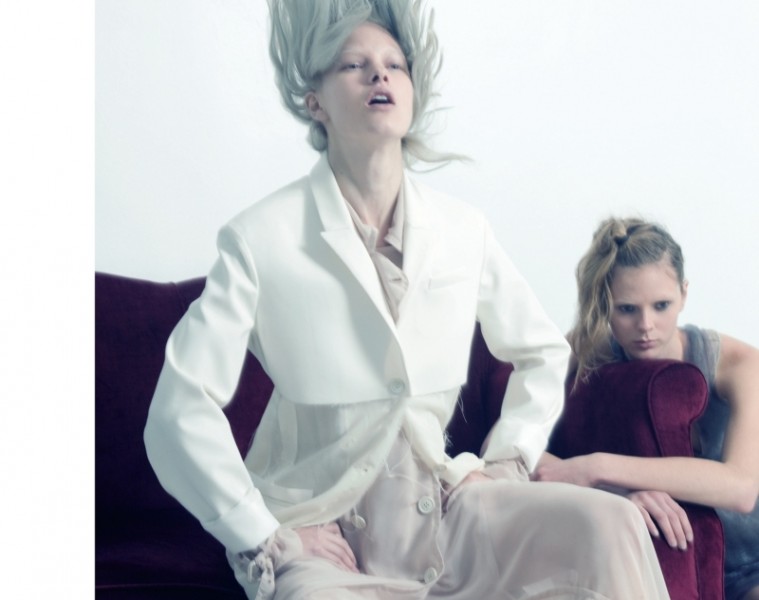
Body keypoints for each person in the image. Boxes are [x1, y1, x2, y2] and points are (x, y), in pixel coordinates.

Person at [144, 2, 670, 598]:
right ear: (315, 102)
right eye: (354, 65)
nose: (380, 74)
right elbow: (177, 411)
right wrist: (264, 532)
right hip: (322, 532)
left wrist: (506, 462)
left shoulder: (463, 229)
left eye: (395, 64)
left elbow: (544, 352)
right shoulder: (260, 237)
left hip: (446, 512)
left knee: (610, 523)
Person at [534, 216, 759, 600]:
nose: (646, 325)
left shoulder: (739, 364)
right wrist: (615, 491)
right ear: (605, 302)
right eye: (626, 309)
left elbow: (741, 488)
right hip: (656, 560)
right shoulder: (583, 350)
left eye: (661, 305)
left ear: (684, 294)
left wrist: (597, 467)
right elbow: (513, 443)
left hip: (750, 560)